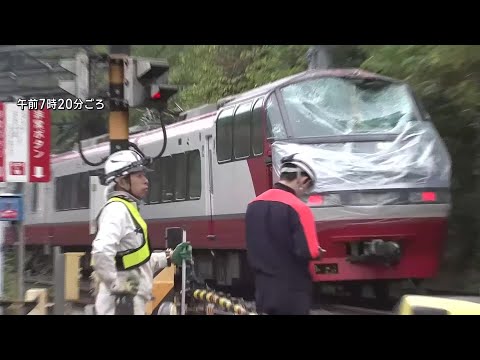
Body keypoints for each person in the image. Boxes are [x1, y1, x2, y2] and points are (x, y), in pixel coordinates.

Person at [90, 149, 192, 315]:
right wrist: (116, 285)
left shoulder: (126, 209)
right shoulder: (117, 210)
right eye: (139, 176)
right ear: (122, 181)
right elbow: (101, 251)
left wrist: (169, 257)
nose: (146, 181)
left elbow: (133, 261)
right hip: (120, 307)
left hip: (128, 305)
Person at [245, 153, 324, 315]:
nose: (305, 193)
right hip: (292, 290)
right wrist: (319, 252)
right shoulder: (299, 208)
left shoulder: (253, 205)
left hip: (263, 289)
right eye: (308, 188)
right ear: (303, 180)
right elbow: (309, 250)